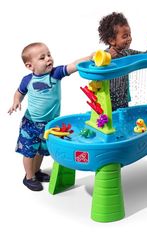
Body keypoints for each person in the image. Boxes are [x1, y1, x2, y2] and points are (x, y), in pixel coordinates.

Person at [8, 42, 90, 191]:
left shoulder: (55, 74)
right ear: (29, 66)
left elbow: (73, 65)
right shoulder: (28, 80)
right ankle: (29, 177)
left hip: (50, 124)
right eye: (42, 57)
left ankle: (36, 172)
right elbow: (19, 92)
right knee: (29, 151)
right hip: (31, 123)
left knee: (41, 150)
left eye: (49, 55)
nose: (48, 59)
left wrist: (89, 58)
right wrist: (16, 102)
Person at [98, 12, 147, 111]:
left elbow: (144, 57)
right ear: (112, 40)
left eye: (129, 35)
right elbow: (94, 64)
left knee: (123, 123)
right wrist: (107, 57)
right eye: (125, 36)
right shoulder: (104, 56)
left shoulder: (127, 53)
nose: (129, 38)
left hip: (123, 101)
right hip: (107, 101)